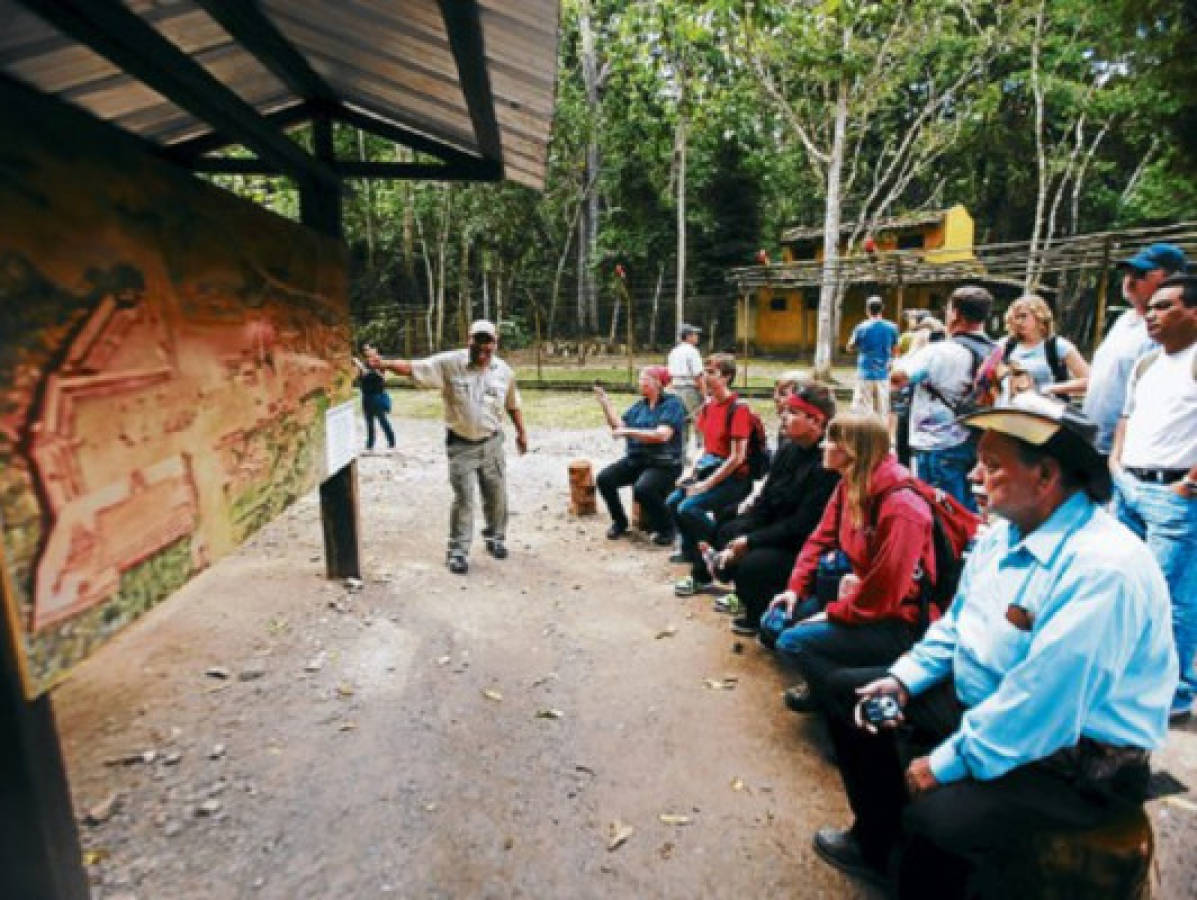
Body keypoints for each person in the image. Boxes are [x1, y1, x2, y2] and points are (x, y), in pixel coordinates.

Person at [810, 392, 1176, 897]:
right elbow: (957, 626)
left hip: (1076, 756)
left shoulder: (1103, 569)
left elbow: (1041, 704)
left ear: (1046, 476)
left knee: (939, 818)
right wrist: (900, 680)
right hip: (988, 701)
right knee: (851, 695)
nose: (974, 477)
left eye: (992, 466)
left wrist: (946, 763)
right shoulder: (1005, 535)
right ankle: (876, 843)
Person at [759, 412, 938, 712]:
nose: (822, 447)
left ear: (853, 451)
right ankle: (831, 684)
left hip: (899, 618)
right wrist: (795, 588)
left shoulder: (901, 508)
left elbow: (887, 592)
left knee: (793, 641)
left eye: (832, 441)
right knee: (785, 619)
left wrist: (834, 614)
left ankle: (851, 703)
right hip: (861, 596)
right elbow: (820, 538)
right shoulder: (849, 484)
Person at [367, 320, 528, 575]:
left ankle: (495, 538)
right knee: (464, 500)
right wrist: (383, 364)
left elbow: (512, 404)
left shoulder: (504, 372)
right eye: (479, 341)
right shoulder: (449, 364)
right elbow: (413, 368)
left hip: (492, 443)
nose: (484, 348)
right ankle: (458, 553)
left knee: (496, 496)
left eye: (489, 342)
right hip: (461, 445)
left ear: (496, 343)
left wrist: (521, 433)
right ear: (469, 340)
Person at [1110, 274, 1197, 722]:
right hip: (1130, 486)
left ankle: (1175, 691)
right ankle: (1132, 679)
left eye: (1165, 306)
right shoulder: (1147, 362)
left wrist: (1190, 484)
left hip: (1175, 492)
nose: (1152, 315)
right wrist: (1117, 463)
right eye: (1152, 307)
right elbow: (1127, 416)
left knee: (1171, 598)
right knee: (1128, 588)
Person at [702, 382, 841, 635]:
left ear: (816, 421)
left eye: (792, 413)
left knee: (752, 564)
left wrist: (751, 541)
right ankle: (742, 591)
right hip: (778, 525)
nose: (783, 417)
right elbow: (766, 501)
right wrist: (742, 532)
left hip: (802, 541)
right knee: (725, 528)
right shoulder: (788, 449)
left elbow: (803, 526)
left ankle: (764, 615)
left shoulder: (827, 463)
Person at [891, 286, 995, 511]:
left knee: (942, 515)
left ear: (955, 313)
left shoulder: (940, 351)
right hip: (976, 440)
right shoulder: (995, 350)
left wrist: (916, 348)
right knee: (967, 512)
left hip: (938, 444)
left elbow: (897, 378)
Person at [1083, 242, 1187, 455]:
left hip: (1128, 453)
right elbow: (1106, 378)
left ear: (1169, 279)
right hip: (1093, 442)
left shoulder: (1166, 330)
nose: (1130, 280)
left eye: (1140, 273)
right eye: (1128, 272)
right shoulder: (1123, 321)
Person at [668, 352, 754, 596]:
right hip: (710, 470)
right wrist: (691, 473)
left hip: (735, 478)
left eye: (712, 372)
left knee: (688, 508)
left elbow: (737, 457)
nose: (705, 376)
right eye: (704, 371)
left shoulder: (738, 409)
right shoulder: (708, 406)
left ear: (726, 377)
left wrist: (705, 485)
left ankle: (710, 558)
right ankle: (699, 552)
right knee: (674, 502)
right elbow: (705, 447)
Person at [593, 366, 687, 545]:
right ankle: (620, 522)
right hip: (637, 460)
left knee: (643, 489)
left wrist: (627, 431)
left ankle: (668, 528)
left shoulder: (672, 403)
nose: (640, 382)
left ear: (658, 383)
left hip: (664, 464)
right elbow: (618, 426)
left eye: (644, 378)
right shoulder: (640, 406)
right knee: (605, 479)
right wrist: (605, 403)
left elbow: (662, 435)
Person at [998, 294, 1089, 400]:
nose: (1019, 322)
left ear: (1039, 317)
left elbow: (1088, 381)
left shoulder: (1057, 346)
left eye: (1023, 316)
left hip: (1047, 409)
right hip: (1011, 409)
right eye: (1015, 317)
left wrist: (1049, 389)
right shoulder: (1005, 344)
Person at [847, 296, 900, 419]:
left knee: (863, 411)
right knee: (882, 411)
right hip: (883, 374)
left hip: (865, 373)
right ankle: (881, 436)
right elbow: (896, 350)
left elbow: (849, 346)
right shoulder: (892, 327)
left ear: (867, 310)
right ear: (882, 309)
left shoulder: (861, 327)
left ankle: (865, 436)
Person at [666, 323, 705, 457]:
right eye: (695, 334)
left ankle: (681, 454)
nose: (697, 337)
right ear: (688, 336)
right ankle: (702, 451)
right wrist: (705, 394)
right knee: (699, 420)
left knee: (682, 423)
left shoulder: (674, 351)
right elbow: (698, 374)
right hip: (690, 389)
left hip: (676, 388)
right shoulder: (692, 351)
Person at [353, 344, 395, 452]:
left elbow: (378, 376)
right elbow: (360, 377)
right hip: (366, 395)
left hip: (377, 395)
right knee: (369, 422)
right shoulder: (364, 363)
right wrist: (358, 368)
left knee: (382, 420)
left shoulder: (379, 361)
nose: (366, 351)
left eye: (368, 349)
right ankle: (370, 446)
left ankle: (391, 443)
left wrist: (360, 366)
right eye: (364, 349)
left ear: (375, 349)